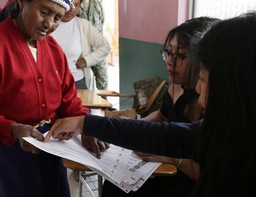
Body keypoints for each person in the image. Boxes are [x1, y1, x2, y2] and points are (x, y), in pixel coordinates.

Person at [44, 12, 256, 196]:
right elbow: (163, 132)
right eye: (168, 53)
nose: (199, 92)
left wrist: (176, 161)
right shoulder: (221, 124)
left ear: (234, 87)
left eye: (203, 79)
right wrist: (86, 123)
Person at [0, 0, 108, 196]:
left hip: (50, 148)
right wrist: (13, 129)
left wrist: (86, 126)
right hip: (7, 150)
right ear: (22, 1)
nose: (49, 24)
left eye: (58, 18)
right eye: (44, 12)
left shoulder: (53, 50)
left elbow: (69, 101)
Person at [101, 17, 218, 197]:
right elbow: (162, 116)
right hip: (168, 162)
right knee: (114, 184)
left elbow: (212, 173)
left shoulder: (213, 103)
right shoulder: (175, 87)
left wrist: (172, 159)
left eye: (180, 55)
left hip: (189, 177)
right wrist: (135, 126)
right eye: (168, 52)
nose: (170, 61)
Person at [52, 0, 110, 90]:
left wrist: (87, 60)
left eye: (77, 5)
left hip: (76, 82)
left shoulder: (83, 25)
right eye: (69, 3)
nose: (72, 8)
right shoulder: (47, 24)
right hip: (51, 82)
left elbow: (105, 46)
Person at [77, 0, 108, 91]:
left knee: (103, 80)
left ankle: (105, 106)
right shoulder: (75, 6)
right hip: (82, 52)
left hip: (97, 50)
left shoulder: (97, 4)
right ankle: (88, 105)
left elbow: (102, 22)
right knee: (84, 82)